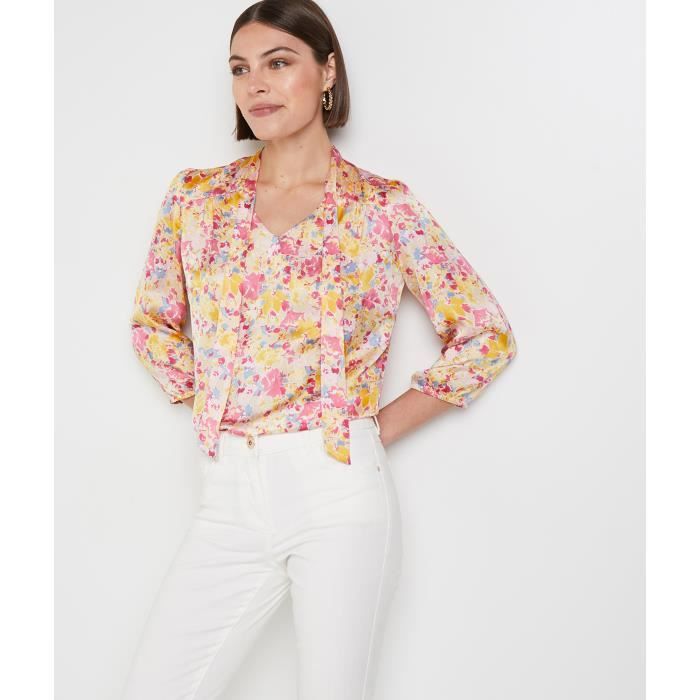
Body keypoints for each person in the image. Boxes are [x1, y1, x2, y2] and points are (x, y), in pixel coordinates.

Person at [123, 1, 518, 698]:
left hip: (338, 492)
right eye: (240, 69)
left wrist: (368, 429)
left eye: (279, 63)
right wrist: (212, 401)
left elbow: (486, 335)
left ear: (327, 72)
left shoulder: (382, 207)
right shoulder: (196, 200)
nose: (256, 84)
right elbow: (152, 323)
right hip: (228, 494)